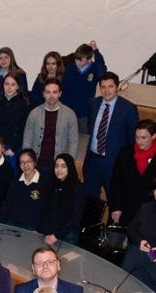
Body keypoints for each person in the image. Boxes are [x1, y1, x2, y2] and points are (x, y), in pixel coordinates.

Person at [83, 72, 138, 202]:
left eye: (110, 86)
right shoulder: (93, 103)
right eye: (103, 87)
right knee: (90, 202)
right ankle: (91, 223)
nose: (106, 90)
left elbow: (132, 139)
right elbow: (91, 127)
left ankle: (112, 223)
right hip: (92, 161)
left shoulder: (128, 108)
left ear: (117, 87)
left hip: (114, 164)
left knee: (115, 202)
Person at [22, 78, 79, 176]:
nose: (51, 96)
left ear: (60, 93)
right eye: (48, 92)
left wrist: (67, 165)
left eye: (55, 92)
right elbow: (27, 140)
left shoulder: (70, 114)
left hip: (58, 165)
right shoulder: (34, 114)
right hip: (37, 163)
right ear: (43, 94)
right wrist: (27, 163)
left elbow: (73, 142)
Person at [110, 119, 156, 226]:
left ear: (153, 136)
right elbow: (116, 182)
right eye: (136, 137)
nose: (139, 141)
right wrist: (116, 207)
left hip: (148, 216)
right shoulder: (126, 152)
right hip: (124, 211)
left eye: (143, 138)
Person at [0, 73, 30, 170]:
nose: (9, 87)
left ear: (18, 87)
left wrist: (13, 148)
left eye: (13, 84)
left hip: (13, 147)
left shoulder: (23, 105)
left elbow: (23, 128)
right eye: (7, 84)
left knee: (11, 173)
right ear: (3, 85)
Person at [61, 41, 107, 133]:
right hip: (68, 112)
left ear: (89, 60)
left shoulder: (94, 69)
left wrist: (96, 51)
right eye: (76, 59)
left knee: (83, 141)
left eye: (80, 60)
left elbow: (102, 74)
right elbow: (64, 88)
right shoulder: (70, 68)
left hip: (84, 114)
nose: (77, 62)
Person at [41, 153, 86, 246]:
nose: (59, 170)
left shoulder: (78, 188)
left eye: (63, 166)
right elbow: (45, 209)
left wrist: (55, 236)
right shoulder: (51, 183)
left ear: (69, 168)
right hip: (49, 232)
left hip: (67, 235)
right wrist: (48, 232)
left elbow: (75, 219)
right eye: (56, 166)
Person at [2, 148, 48, 231]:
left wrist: (39, 229)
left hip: (32, 227)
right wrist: (4, 224)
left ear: (35, 162)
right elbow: (8, 205)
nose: (25, 165)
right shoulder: (15, 181)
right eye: (22, 162)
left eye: (29, 161)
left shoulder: (44, 183)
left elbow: (45, 210)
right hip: (12, 224)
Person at [121, 187, 156, 291]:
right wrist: (140, 241)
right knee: (134, 253)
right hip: (141, 258)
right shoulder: (146, 207)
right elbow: (131, 230)